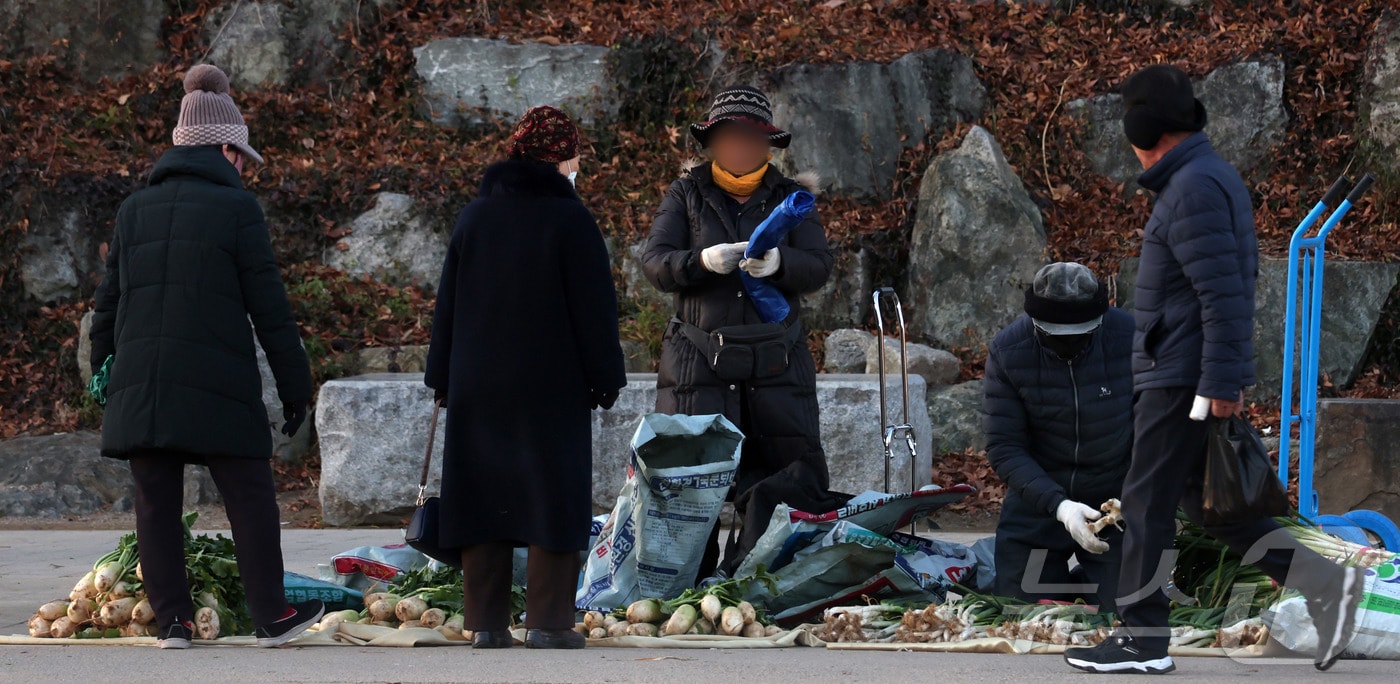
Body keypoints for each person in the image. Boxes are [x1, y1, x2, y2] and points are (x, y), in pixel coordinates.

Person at [1063, 64, 1363, 675]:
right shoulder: (1199, 178)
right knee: (1214, 508)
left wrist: (1222, 383)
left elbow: (1224, 295)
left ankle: (1142, 640)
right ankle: (1328, 585)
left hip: (1183, 374)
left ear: (1144, 127)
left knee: (1145, 502)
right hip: (1186, 368)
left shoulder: (1194, 187)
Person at [89, 64, 323, 649]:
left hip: (144, 382)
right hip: (218, 381)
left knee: (155, 502)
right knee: (249, 494)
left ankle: (173, 621)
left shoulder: (133, 209)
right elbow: (269, 307)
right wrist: (296, 387)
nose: (245, 168)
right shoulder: (238, 210)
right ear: (224, 149)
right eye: (242, 157)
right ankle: (271, 615)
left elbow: (107, 304)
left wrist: (103, 372)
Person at [424, 106, 627, 650]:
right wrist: (605, 377)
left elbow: (448, 305)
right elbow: (594, 309)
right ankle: (548, 623)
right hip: (550, 385)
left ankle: (486, 624)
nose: (577, 166)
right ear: (560, 158)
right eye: (574, 156)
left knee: (482, 496)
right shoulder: (571, 220)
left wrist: (441, 377)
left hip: (477, 383)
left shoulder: (474, 217)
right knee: (551, 496)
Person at [642, 85, 835, 579]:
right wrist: (701, 261)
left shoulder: (792, 197)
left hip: (777, 368)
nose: (740, 147)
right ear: (712, 142)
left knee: (780, 484)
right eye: (731, 137)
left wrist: (779, 263)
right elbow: (656, 263)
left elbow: (818, 266)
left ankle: (754, 588)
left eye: (751, 138)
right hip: (696, 366)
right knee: (688, 489)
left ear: (768, 145)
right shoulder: (686, 193)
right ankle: (683, 589)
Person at [983, 262, 1133, 614]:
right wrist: (1061, 508)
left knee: (1125, 613)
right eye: (1056, 334)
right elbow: (1004, 447)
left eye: (1080, 334)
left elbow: (1156, 427)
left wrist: (1138, 495)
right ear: (1035, 321)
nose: (1069, 344)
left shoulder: (1132, 338)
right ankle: (1065, 583)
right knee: (1021, 615)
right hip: (1038, 500)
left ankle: (1089, 583)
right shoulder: (1008, 350)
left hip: (1115, 499)